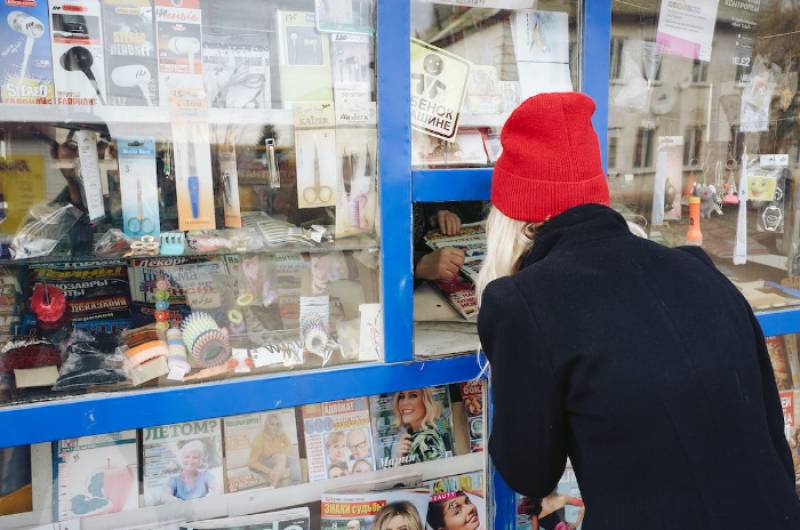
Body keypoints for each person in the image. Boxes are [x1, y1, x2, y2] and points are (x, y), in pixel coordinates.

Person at [476, 92, 800, 528]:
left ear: (511, 219)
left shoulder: (521, 303)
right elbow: (766, 419)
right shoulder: (695, 268)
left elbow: (528, 471)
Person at [393, 388, 450, 464]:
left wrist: (399, 463)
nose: (405, 402)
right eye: (401, 397)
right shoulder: (410, 436)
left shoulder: (428, 439)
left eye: (413, 395)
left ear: (426, 401)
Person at [247, 413, 292, 488]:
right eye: (272, 424)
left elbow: (289, 445)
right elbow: (251, 462)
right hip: (261, 462)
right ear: (267, 425)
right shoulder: (259, 439)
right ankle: (273, 485)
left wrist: (282, 452)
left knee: (288, 460)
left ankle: (273, 486)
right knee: (282, 460)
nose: (275, 427)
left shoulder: (280, 434)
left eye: (277, 424)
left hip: (276, 459)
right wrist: (269, 471)